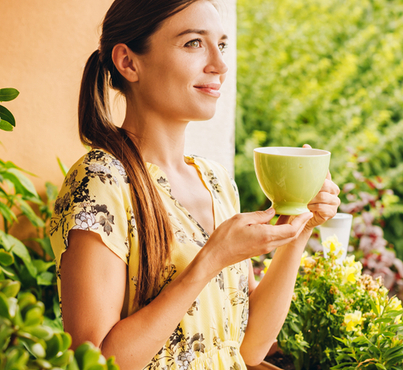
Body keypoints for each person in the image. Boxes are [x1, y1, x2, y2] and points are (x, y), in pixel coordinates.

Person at [49, 0, 341, 369]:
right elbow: (95, 361)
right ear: (128, 62)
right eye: (193, 43)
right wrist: (211, 260)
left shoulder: (216, 181)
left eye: (221, 45)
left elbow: (248, 348)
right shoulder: (101, 182)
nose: (219, 66)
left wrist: (298, 228)